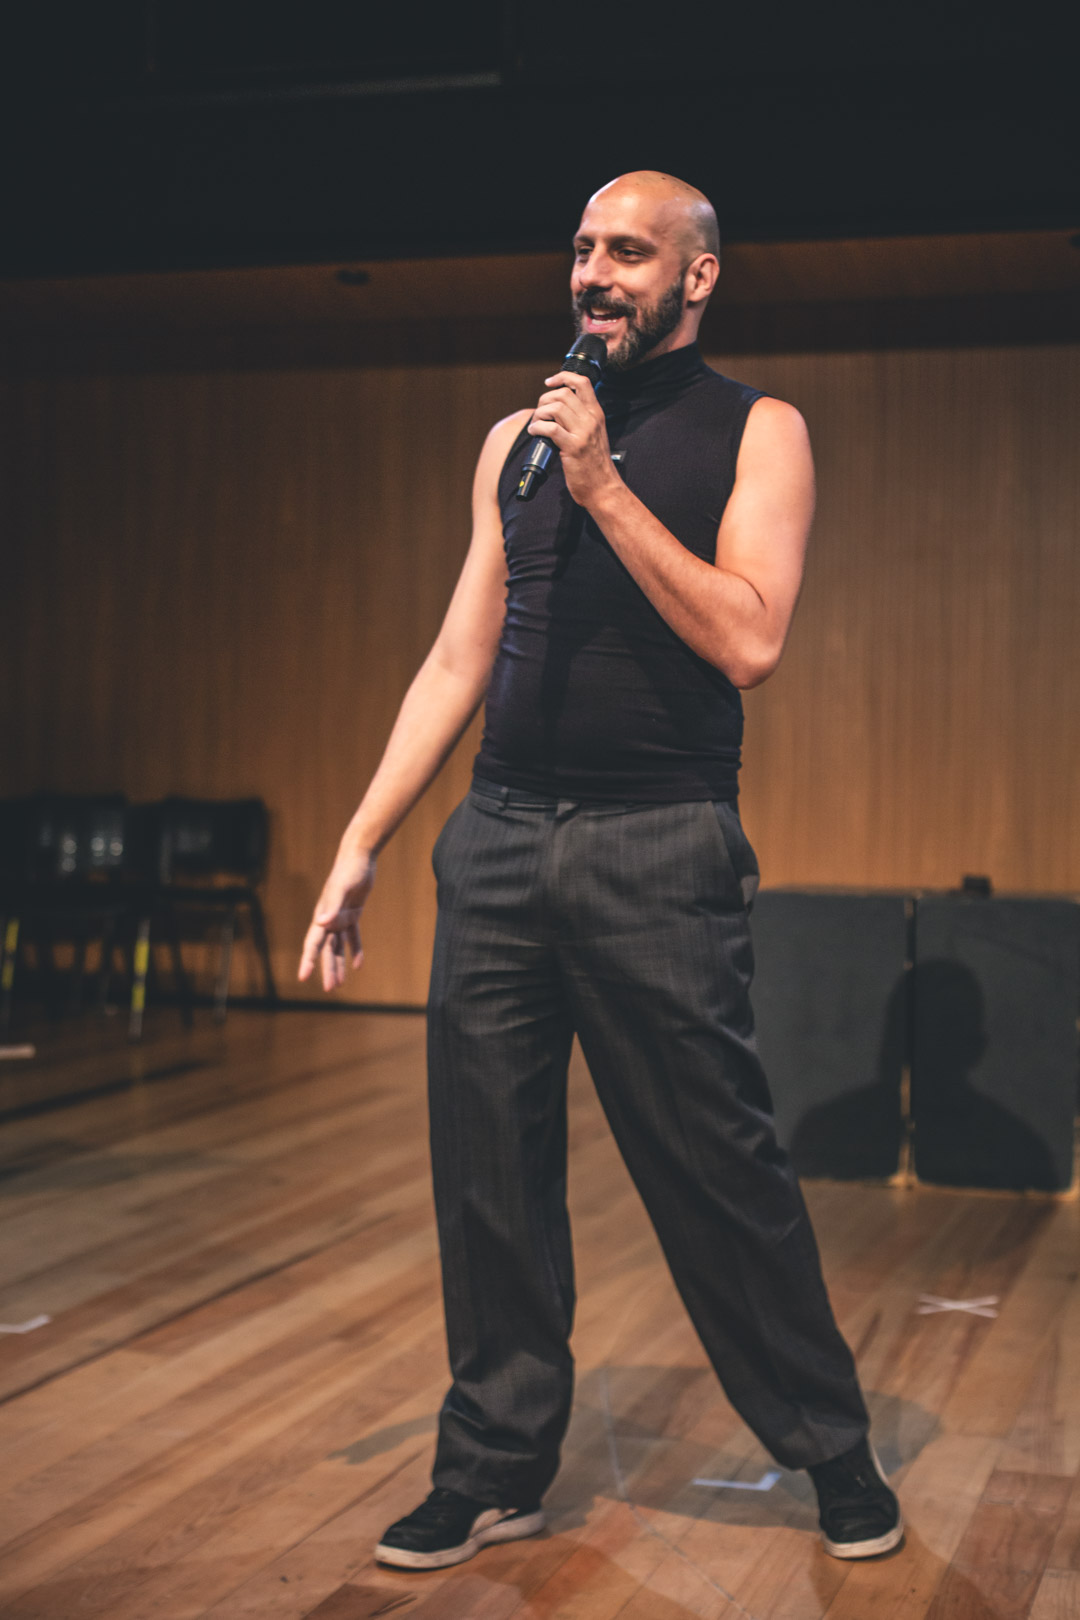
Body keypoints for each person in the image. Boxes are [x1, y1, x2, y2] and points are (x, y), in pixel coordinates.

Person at [299, 171, 903, 1572]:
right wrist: (359, 842)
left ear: (696, 276)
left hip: (660, 844)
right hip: (501, 837)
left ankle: (831, 1449)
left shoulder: (757, 429)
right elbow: (460, 656)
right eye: (582, 249)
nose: (593, 273)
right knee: (488, 1181)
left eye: (627, 252)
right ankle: (493, 1466)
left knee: (716, 1167)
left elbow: (749, 638)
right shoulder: (515, 439)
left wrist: (605, 487)